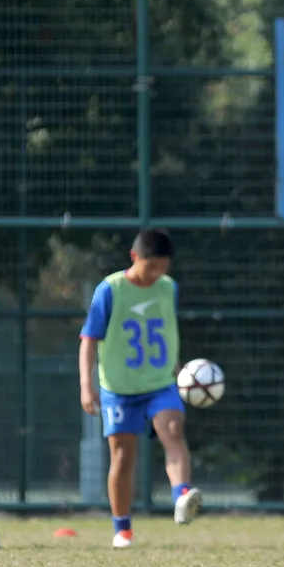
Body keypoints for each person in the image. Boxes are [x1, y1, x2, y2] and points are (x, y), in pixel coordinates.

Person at [79, 228, 202, 547]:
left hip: (160, 382)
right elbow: (89, 340)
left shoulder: (168, 288)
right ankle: (123, 529)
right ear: (135, 258)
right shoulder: (110, 289)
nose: (157, 274)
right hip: (119, 387)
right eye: (152, 267)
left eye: (163, 267)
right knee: (122, 456)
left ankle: (182, 496)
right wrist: (86, 386)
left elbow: (168, 331)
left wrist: (179, 373)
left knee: (173, 429)